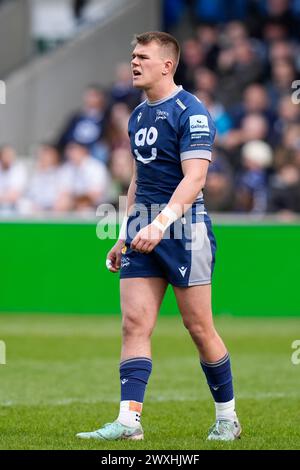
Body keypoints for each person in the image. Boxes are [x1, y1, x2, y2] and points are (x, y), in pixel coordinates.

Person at [76, 31, 241, 442]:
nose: (134, 62)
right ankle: (129, 422)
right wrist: (123, 232)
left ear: (167, 65)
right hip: (143, 230)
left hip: (185, 231)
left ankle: (227, 419)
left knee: (198, 327)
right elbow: (138, 179)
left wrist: (161, 222)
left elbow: (196, 177)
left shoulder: (191, 110)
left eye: (143, 56)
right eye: (132, 55)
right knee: (134, 324)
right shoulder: (137, 115)